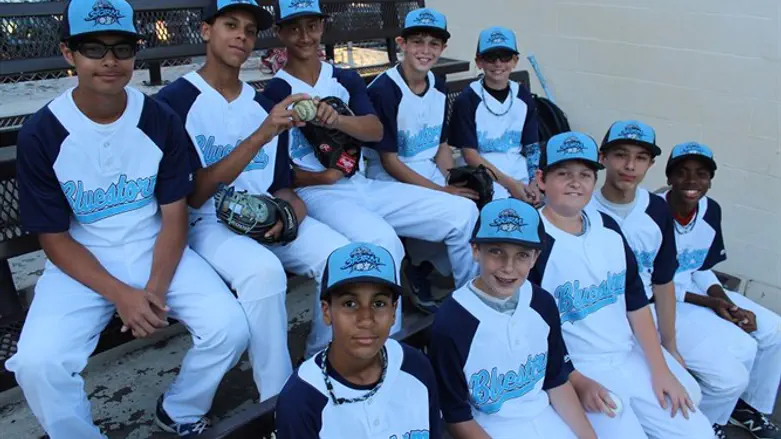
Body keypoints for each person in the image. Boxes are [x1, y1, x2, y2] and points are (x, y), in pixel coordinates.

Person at [5, 1, 250, 436]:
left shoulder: (157, 117)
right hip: (82, 260)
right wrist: (122, 295)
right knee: (38, 362)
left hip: (154, 246)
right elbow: (54, 238)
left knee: (229, 327)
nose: (110, 61)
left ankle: (180, 409)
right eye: (93, 49)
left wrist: (152, 292)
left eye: (122, 48)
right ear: (68, 54)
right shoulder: (43, 131)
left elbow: (175, 215)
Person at [154, 0, 352, 400]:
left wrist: (289, 217)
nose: (241, 36)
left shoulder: (261, 101)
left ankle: (322, 363)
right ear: (206, 30)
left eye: (249, 29)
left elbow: (281, 184)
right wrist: (261, 133)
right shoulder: (173, 103)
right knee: (263, 272)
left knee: (341, 256)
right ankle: (277, 399)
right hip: (207, 222)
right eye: (230, 24)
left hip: (266, 214)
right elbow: (193, 195)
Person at [262, 0, 477, 353]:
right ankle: (350, 347)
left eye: (312, 26)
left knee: (463, 214)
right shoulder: (274, 92)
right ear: (281, 32)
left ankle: (470, 309)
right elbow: (277, 170)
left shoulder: (343, 78)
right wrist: (320, 180)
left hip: (360, 183)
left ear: (322, 26)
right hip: (318, 194)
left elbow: (374, 130)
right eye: (295, 27)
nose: (304, 35)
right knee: (383, 242)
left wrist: (336, 119)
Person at [528, 132, 714, 439]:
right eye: (563, 173)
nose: (576, 182)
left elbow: (636, 302)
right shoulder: (533, 241)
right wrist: (574, 379)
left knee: (696, 432)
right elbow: (534, 329)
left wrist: (661, 369)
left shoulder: (608, 226)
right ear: (541, 179)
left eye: (585, 174)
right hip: (581, 366)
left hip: (628, 353)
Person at [591, 121, 751, 438]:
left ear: (650, 165)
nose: (629, 165)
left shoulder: (655, 209)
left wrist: (670, 345)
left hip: (644, 319)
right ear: (603, 157)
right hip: (598, 325)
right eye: (620, 154)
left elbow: (663, 282)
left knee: (689, 395)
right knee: (619, 411)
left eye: (640, 157)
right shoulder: (583, 210)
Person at [428, 198, 597, 439]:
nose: (508, 267)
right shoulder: (452, 321)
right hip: (492, 429)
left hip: (546, 416)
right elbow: (456, 415)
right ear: (476, 250)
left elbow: (555, 381)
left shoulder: (541, 302)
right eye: (496, 252)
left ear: (535, 257)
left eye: (521, 255)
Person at [361, 7, 480, 313]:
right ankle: (470, 296)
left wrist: (453, 178)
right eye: (417, 41)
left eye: (433, 43)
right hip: (388, 180)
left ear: (443, 48)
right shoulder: (385, 90)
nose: (425, 50)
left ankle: (423, 265)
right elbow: (389, 162)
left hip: (424, 171)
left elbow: (440, 145)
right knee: (461, 210)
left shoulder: (437, 84)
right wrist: (444, 192)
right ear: (401, 43)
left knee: (478, 199)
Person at [664, 142, 781, 439]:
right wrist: (711, 304)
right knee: (739, 351)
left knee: (772, 329)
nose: (692, 181)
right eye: (682, 173)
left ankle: (748, 407)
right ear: (669, 178)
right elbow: (647, 284)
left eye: (701, 174)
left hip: (693, 287)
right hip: (663, 297)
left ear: (710, 180)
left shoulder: (709, 208)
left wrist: (728, 303)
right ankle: (709, 421)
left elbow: (700, 267)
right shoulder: (652, 212)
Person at [275, 242, 442, 438]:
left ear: (394, 311)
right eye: (350, 304)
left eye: (379, 303)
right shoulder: (302, 398)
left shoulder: (415, 367)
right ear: (327, 312)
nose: (366, 319)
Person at [449, 26, 542, 204]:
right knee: (503, 208)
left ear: (515, 61)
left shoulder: (522, 95)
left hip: (517, 167)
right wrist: (511, 185)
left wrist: (534, 183)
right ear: (479, 62)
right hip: (480, 173)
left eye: (505, 57)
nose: (498, 64)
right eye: (490, 58)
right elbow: (470, 155)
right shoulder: (467, 99)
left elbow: (532, 147)